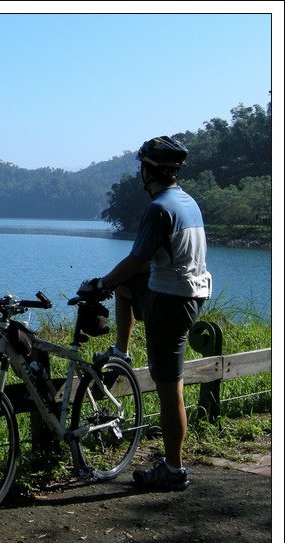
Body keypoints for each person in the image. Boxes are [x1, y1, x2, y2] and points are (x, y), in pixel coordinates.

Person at [77, 135, 212, 491]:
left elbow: (137, 258)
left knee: (171, 388)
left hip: (170, 301)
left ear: (147, 171)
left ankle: (173, 469)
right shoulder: (187, 202)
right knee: (127, 283)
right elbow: (143, 265)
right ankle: (121, 350)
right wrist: (113, 283)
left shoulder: (158, 209)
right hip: (190, 294)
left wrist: (100, 284)